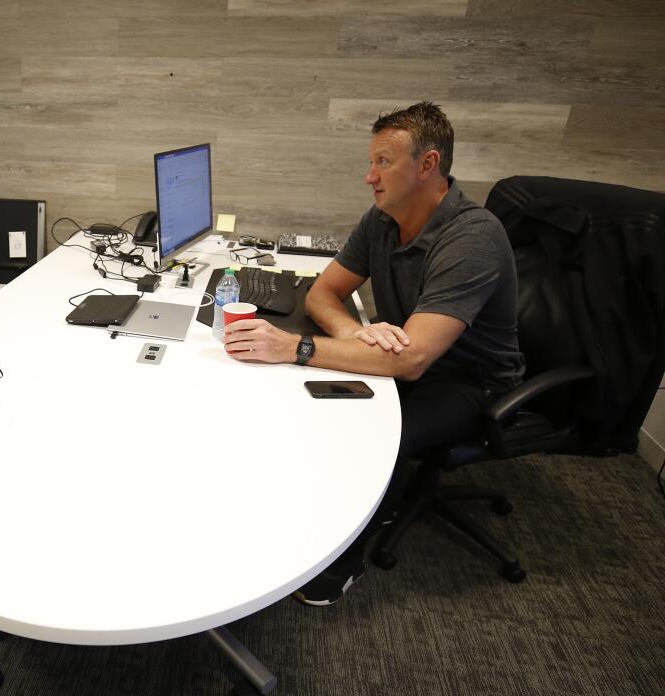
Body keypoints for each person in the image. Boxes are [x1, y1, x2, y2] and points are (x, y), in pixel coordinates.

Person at [223, 101, 524, 606]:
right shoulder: (383, 218)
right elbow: (321, 294)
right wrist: (353, 334)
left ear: (427, 165)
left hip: (471, 381)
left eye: (383, 162)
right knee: (309, 403)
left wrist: (295, 347)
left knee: (363, 432)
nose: (369, 176)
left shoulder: (472, 237)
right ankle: (297, 519)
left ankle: (343, 558)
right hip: (411, 358)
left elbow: (411, 361)